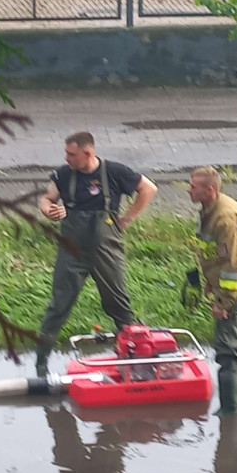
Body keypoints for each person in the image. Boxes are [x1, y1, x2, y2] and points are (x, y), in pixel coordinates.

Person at [36, 131, 157, 375]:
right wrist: (49, 210)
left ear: (87, 153)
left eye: (71, 154)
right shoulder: (63, 174)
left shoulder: (114, 172)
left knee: (119, 305)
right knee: (59, 305)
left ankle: (137, 362)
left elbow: (148, 188)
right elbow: (47, 198)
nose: (66, 157)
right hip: (72, 252)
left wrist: (128, 219)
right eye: (67, 153)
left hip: (106, 251)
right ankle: (40, 364)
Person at [187, 166, 237, 415]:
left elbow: (234, 264)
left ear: (209, 190)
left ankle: (230, 411)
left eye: (193, 186)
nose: (188, 189)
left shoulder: (224, 218)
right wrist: (210, 279)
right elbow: (217, 254)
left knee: (227, 350)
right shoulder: (213, 209)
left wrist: (223, 302)